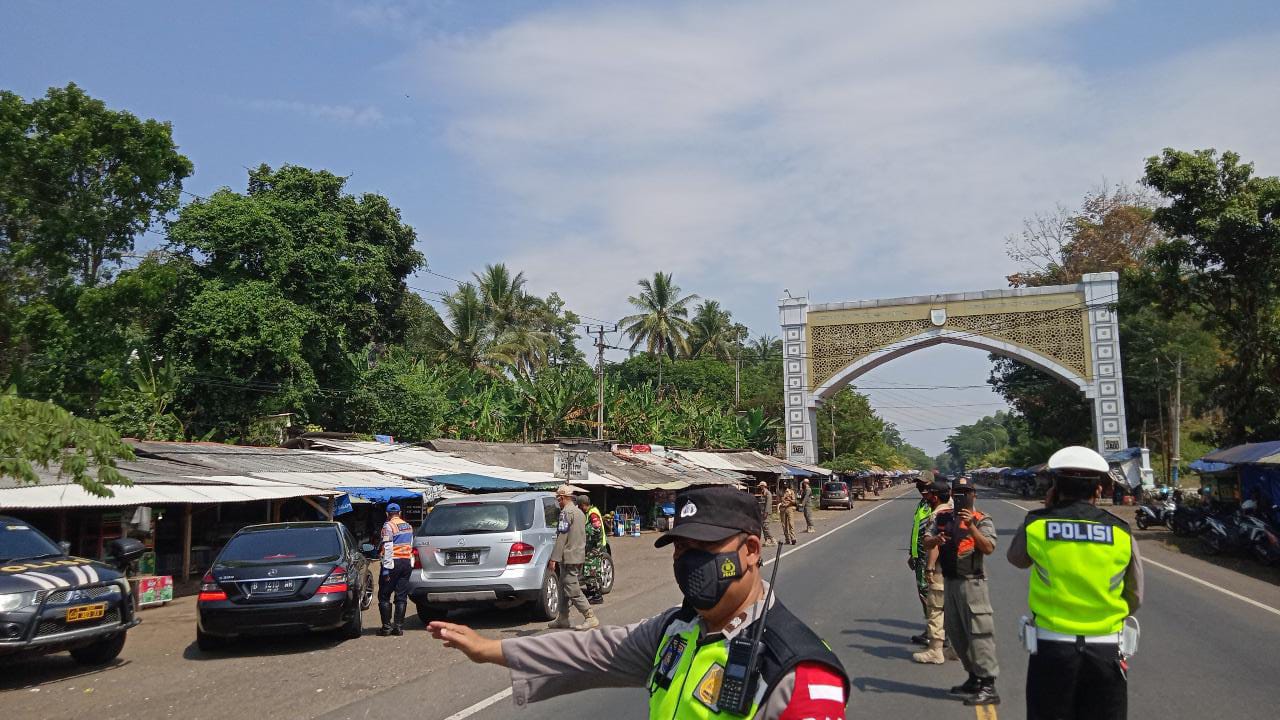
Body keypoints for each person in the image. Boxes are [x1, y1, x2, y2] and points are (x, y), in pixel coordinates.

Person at [427, 486, 851, 719]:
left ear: (752, 550)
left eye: (704, 546)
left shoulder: (798, 673)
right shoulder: (676, 631)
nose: (688, 561)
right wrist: (489, 650)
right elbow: (590, 651)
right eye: (680, 547)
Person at [1008, 446, 1144, 720]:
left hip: (1052, 648)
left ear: (1054, 487)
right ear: (1098, 490)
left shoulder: (1036, 524)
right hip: (1107, 650)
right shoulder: (1120, 530)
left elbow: (1017, 559)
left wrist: (1048, 510)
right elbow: (1135, 595)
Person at [924, 476, 1000, 706]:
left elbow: (988, 548)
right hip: (950, 581)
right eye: (957, 492)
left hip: (973, 583)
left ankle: (988, 685)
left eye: (965, 492)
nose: (961, 496)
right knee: (956, 634)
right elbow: (926, 540)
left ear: (973, 495)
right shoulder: (942, 517)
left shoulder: (982, 519)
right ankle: (973, 677)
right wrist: (935, 539)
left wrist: (972, 528)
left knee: (979, 634)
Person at [912, 476, 954, 665]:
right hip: (949, 565)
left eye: (926, 488)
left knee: (936, 606)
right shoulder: (955, 511)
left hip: (939, 566)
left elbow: (933, 544)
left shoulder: (939, 513)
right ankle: (955, 646)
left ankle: (936, 648)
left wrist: (929, 567)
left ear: (935, 495)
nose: (922, 491)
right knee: (950, 606)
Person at [550, 485, 598, 630]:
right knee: (563, 586)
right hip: (578, 554)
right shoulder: (580, 513)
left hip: (569, 555)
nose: (558, 502)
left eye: (559, 498)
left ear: (563, 498)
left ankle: (590, 616)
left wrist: (554, 558)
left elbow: (562, 537)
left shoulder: (566, 513)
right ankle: (563, 618)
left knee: (571, 587)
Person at [377, 502, 414, 636]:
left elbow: (387, 547)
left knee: (384, 595)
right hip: (406, 563)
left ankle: (386, 627)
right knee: (401, 596)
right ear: (399, 513)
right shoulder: (408, 526)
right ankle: (398, 627)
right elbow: (410, 546)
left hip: (393, 563)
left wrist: (386, 569)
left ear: (387, 514)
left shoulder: (388, 526)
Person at [907, 472, 934, 646]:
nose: (921, 488)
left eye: (924, 485)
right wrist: (912, 553)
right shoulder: (922, 504)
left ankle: (936, 631)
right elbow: (917, 530)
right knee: (924, 593)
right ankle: (933, 628)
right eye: (918, 485)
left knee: (930, 594)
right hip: (920, 557)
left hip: (931, 557)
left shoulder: (937, 503)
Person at [576, 495, 607, 605]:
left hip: (594, 547)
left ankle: (596, 596)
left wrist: (583, 529)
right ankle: (593, 593)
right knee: (590, 571)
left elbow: (596, 529)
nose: (580, 509)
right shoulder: (590, 512)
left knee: (591, 572)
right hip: (591, 547)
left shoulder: (593, 513)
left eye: (580, 506)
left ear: (584, 505)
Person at [756, 481, 776, 546]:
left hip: (766, 512)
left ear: (763, 486)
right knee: (763, 526)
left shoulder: (768, 493)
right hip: (762, 512)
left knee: (766, 526)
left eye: (761, 486)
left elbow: (768, 504)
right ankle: (767, 540)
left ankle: (772, 539)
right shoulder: (763, 493)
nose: (760, 487)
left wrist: (766, 512)